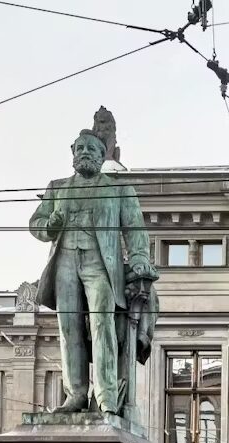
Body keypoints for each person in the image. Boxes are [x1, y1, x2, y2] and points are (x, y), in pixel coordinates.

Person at [29, 119, 157, 417]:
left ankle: (106, 395)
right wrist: (50, 226)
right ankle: (75, 394)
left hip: (100, 265)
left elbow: (136, 231)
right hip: (65, 263)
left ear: (102, 157)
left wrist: (139, 259)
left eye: (92, 149)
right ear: (73, 153)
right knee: (68, 327)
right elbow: (36, 224)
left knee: (102, 325)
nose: (85, 152)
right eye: (80, 148)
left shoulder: (119, 190)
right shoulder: (57, 188)